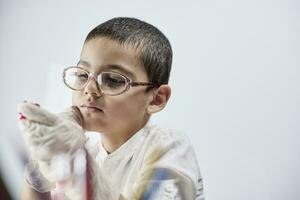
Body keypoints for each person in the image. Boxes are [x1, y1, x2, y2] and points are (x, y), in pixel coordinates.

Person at [18, 17, 204, 200]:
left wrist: (77, 169)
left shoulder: (169, 146)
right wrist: (39, 168)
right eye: (82, 75)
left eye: (113, 80)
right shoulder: (88, 150)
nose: (89, 89)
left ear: (156, 99)